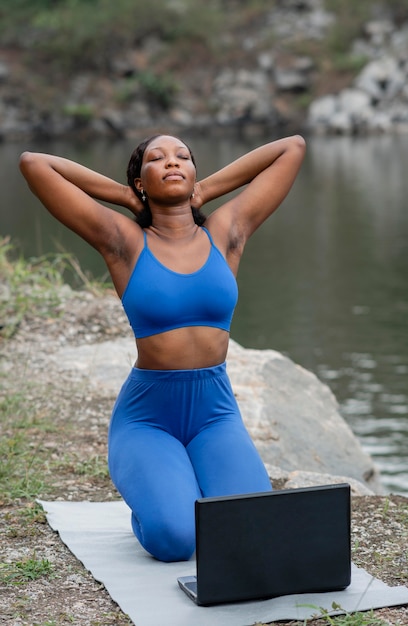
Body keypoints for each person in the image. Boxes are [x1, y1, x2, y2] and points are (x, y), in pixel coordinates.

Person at [19, 133, 306, 562]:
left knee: (250, 533)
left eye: (183, 157)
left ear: (194, 174)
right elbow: (34, 164)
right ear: (140, 181)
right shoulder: (123, 242)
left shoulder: (226, 233)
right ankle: (157, 504)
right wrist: (124, 197)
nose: (172, 162)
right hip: (149, 419)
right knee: (176, 540)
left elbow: (292, 148)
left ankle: (185, 490)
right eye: (157, 159)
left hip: (215, 414)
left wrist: (205, 190)